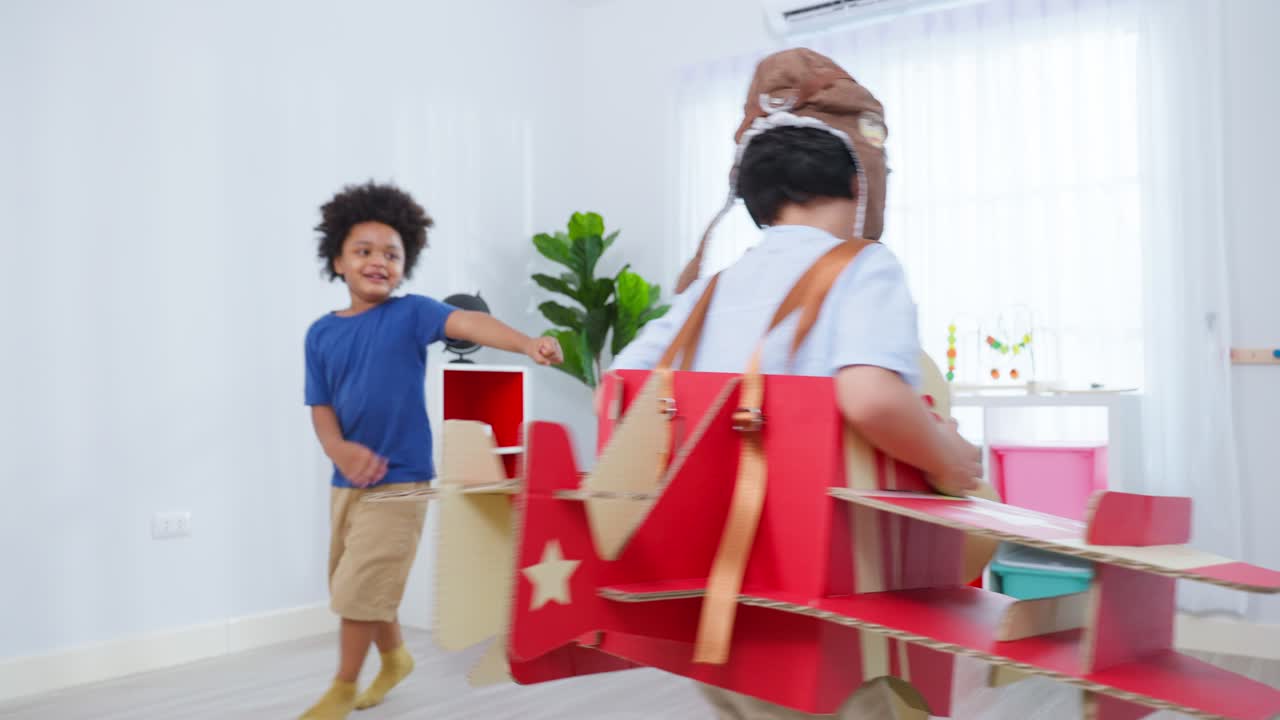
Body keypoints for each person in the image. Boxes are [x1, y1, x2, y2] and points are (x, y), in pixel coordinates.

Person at [607, 48, 981, 719]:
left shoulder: (713, 288)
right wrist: (953, 458)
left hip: (713, 590)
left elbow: (624, 385)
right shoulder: (864, 265)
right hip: (827, 592)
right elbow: (869, 396)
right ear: (863, 182)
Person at [299, 181, 561, 719]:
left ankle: (342, 689)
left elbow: (470, 323)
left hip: (401, 478)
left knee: (359, 589)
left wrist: (525, 343)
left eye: (391, 254)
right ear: (337, 261)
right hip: (348, 480)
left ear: (406, 263)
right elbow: (320, 406)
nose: (378, 261)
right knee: (357, 582)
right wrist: (338, 449)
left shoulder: (411, 314)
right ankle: (395, 657)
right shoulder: (320, 335)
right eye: (364, 251)